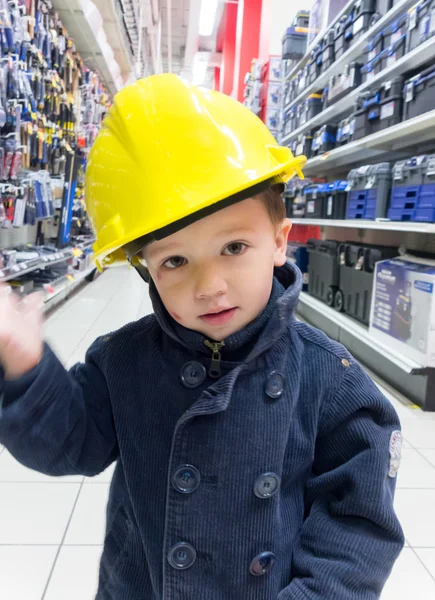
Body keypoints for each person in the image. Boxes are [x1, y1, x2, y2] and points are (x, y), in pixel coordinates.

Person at [0, 74, 404, 599]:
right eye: (175, 260)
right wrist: (26, 368)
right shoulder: (122, 361)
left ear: (280, 240)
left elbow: (357, 526)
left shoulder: (333, 382)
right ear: (145, 268)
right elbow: (68, 444)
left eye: (234, 248)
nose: (209, 287)